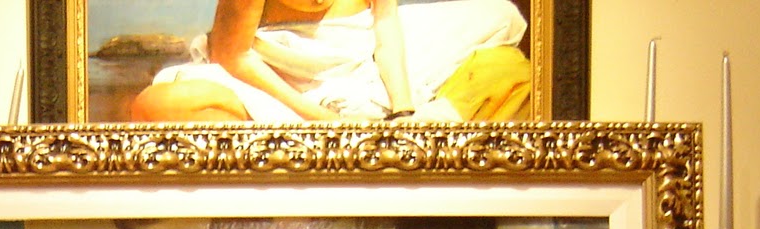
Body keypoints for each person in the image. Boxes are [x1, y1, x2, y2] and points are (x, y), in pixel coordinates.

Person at [129, 0, 529, 124]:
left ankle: (420, 121)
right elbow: (236, 56)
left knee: (500, 19)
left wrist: (403, 108)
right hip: (274, 77)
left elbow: (386, 29)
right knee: (158, 105)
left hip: (361, 64)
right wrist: (319, 118)